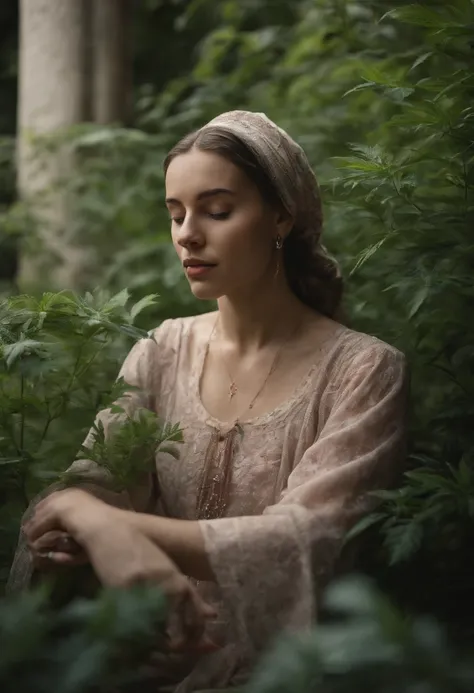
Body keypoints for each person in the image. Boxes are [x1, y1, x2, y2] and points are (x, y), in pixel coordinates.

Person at [10, 111, 408, 692]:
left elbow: (302, 542)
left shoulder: (363, 370)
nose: (187, 234)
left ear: (281, 216)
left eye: (217, 211)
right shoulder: (161, 349)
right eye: (176, 214)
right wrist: (86, 525)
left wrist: (112, 530)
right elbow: (85, 490)